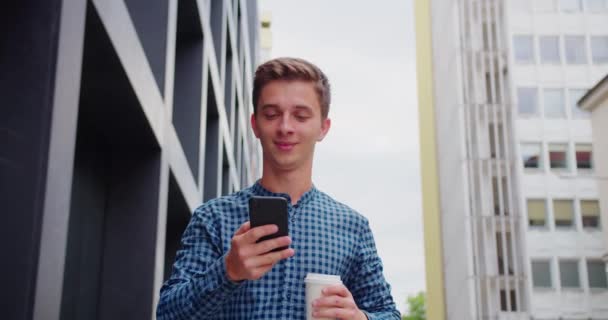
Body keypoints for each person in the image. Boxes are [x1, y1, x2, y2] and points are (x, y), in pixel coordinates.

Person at [156, 57, 400, 319]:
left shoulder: (353, 227)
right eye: (272, 114)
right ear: (255, 125)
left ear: (323, 127)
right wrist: (228, 271)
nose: (285, 127)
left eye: (300, 116)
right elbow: (168, 314)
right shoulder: (213, 218)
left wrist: (360, 318)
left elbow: (388, 313)